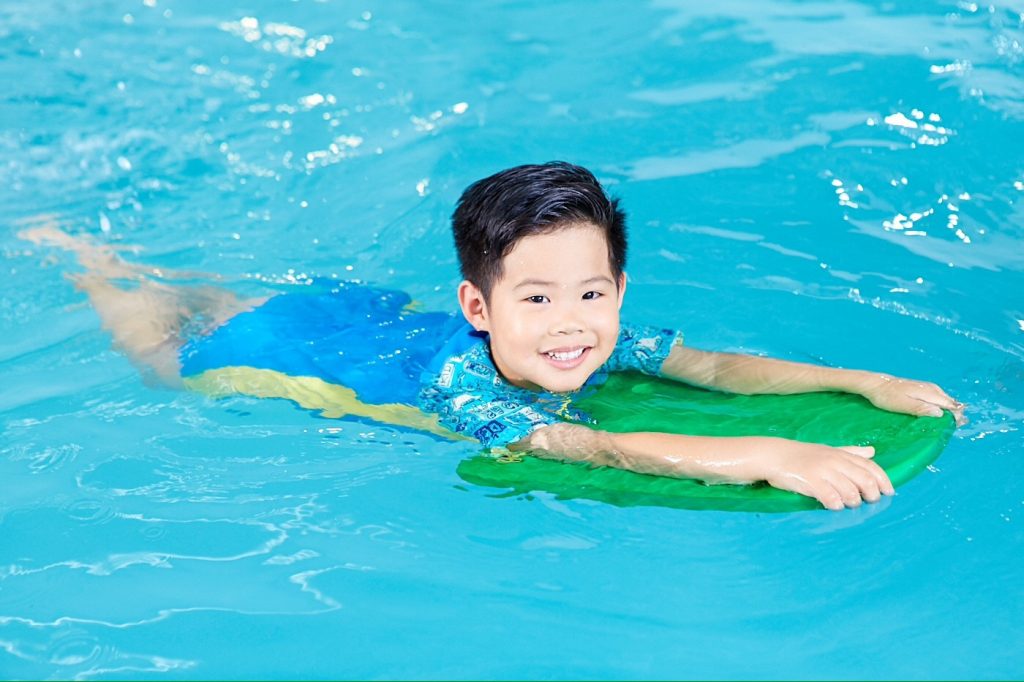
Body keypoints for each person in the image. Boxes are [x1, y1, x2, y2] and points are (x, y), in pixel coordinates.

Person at [20, 161, 965, 511]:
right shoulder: (474, 394)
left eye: (592, 294)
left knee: (203, 290)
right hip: (269, 355)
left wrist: (864, 381)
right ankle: (73, 251)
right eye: (538, 302)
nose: (572, 327)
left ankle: (121, 254)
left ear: (618, 288)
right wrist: (760, 453)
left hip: (358, 317)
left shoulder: (602, 331)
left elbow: (714, 364)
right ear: (480, 309)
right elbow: (588, 442)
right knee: (161, 348)